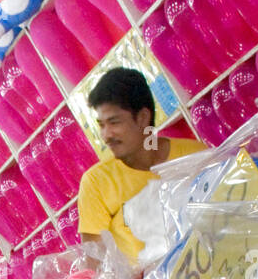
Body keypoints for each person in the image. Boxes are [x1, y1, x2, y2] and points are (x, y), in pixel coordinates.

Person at [77, 67, 206, 262]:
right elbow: (94, 264)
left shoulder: (195, 155)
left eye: (114, 122)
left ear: (143, 118)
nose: (106, 135)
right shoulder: (96, 183)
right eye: (101, 125)